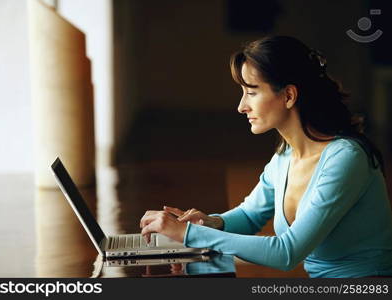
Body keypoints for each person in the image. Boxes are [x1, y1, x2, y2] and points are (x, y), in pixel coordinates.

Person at [139, 36, 392, 278]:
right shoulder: (286, 156)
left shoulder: (346, 159)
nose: (241, 106)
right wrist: (211, 222)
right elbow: (250, 216)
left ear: (289, 95)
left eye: (251, 92)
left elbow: (286, 253)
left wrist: (188, 233)